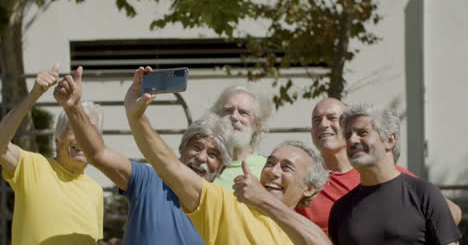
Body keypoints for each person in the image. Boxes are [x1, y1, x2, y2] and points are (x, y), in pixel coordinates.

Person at [125, 66, 331, 244]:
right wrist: (136, 117)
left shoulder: (301, 231)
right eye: (270, 163)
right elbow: (170, 165)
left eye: (286, 167)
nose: (273, 172)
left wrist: (265, 202)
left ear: (309, 188)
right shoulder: (227, 206)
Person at [53, 66, 234, 244]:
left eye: (212, 154)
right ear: (182, 149)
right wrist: (74, 108)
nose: (201, 157)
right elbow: (98, 154)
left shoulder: (223, 209)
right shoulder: (148, 180)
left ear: (221, 168)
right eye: (196, 147)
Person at [295, 98, 462, 234]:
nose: (323, 124)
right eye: (316, 120)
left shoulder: (381, 173)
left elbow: (452, 212)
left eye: (332, 118)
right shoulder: (302, 177)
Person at [0, 63, 103, 245]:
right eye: (76, 131)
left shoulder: (96, 191)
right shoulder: (32, 166)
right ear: (57, 137)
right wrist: (34, 95)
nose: (83, 140)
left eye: (90, 133)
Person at [209, 85, 272, 189]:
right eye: (228, 111)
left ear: (257, 125)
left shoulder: (268, 169)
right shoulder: (202, 165)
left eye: (243, 113)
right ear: (217, 118)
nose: (234, 117)